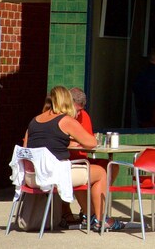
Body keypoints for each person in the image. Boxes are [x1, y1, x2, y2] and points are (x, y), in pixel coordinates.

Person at [22, 86, 123, 232]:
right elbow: (92, 143)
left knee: (86, 169)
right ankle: (101, 220)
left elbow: (26, 149)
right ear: (67, 101)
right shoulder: (66, 120)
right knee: (100, 172)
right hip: (52, 176)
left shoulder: (34, 120)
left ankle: (90, 214)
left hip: (31, 177)